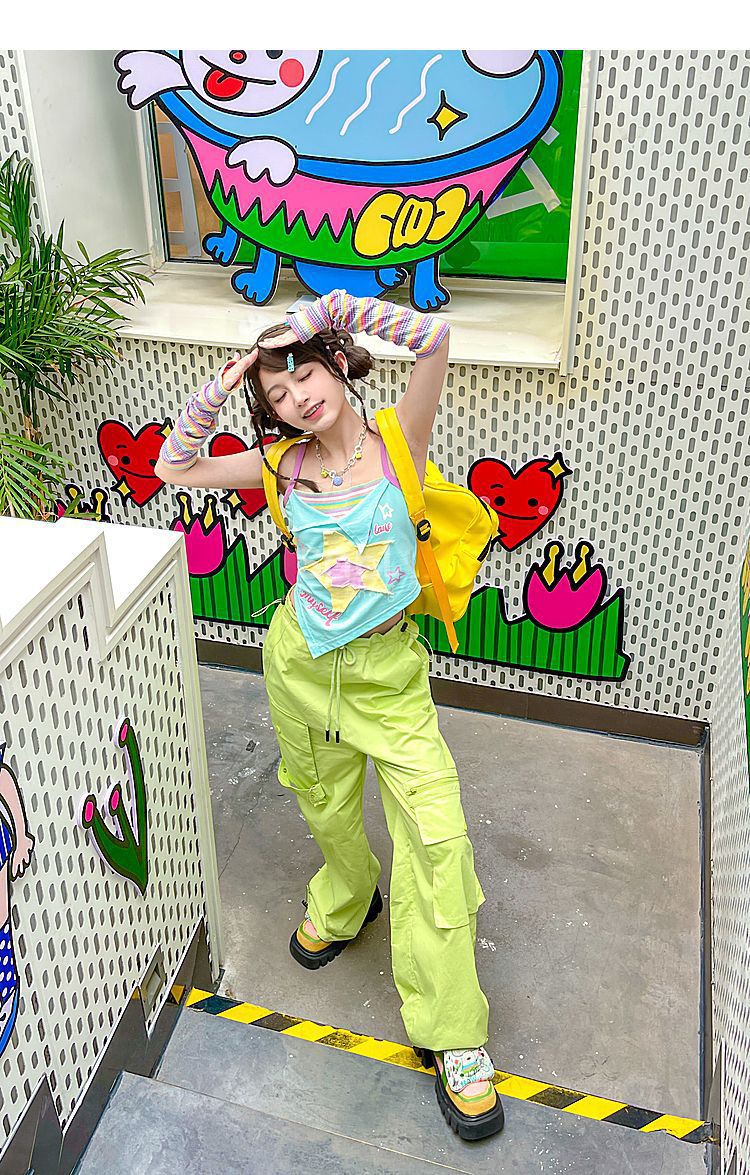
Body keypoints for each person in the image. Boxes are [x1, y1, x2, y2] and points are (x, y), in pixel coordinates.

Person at [155, 289, 504, 1141]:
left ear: (337, 365)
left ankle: (454, 1033)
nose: (298, 397)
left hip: (389, 679)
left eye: (305, 374)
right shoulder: (281, 467)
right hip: (301, 668)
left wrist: (334, 308)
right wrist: (224, 384)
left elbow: (435, 338)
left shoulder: (397, 440)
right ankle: (348, 896)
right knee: (324, 804)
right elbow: (173, 467)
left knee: (438, 838)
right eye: (277, 394)